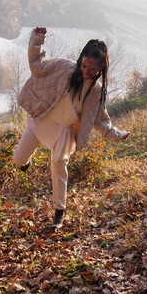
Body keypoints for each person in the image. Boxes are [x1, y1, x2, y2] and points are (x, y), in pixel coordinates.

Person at [13, 27, 130, 229]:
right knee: (18, 159)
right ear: (80, 60)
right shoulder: (63, 67)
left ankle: (59, 212)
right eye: (84, 66)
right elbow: (37, 66)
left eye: (92, 69)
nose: (86, 72)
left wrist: (118, 135)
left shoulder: (95, 91)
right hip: (43, 119)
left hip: (64, 132)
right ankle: (25, 162)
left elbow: (101, 120)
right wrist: (37, 40)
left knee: (59, 164)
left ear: (101, 68)